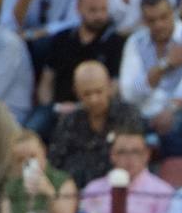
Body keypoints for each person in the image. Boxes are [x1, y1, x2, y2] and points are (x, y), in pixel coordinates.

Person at [118, 0, 182, 157]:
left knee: (171, 126)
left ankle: (175, 181)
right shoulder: (135, 42)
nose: (159, 25)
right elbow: (130, 91)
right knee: (119, 131)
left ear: (172, 12)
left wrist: (171, 108)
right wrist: (165, 65)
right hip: (144, 114)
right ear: (143, 21)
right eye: (152, 20)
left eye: (164, 17)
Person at [28, 0, 122, 140]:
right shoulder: (62, 39)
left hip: (94, 109)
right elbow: (46, 81)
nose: (99, 16)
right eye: (93, 10)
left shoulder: (115, 42)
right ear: (78, 8)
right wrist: (51, 106)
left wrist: (81, 106)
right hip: (57, 108)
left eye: (103, 9)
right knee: (31, 130)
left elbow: (114, 87)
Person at [48, 60, 145, 189]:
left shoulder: (128, 115)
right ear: (76, 92)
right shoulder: (69, 122)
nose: (94, 99)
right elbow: (55, 163)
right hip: (74, 192)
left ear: (109, 87)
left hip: (121, 189)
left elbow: (134, 156)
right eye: (87, 94)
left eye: (98, 92)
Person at [75, 128, 175, 213]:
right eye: (122, 152)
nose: (129, 158)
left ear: (146, 155)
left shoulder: (163, 192)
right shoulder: (93, 189)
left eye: (135, 152)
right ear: (112, 155)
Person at [0, 129, 79, 213]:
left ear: (44, 152)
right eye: (20, 160)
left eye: (33, 156)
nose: (27, 163)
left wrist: (49, 191)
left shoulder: (64, 181)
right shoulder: (10, 188)